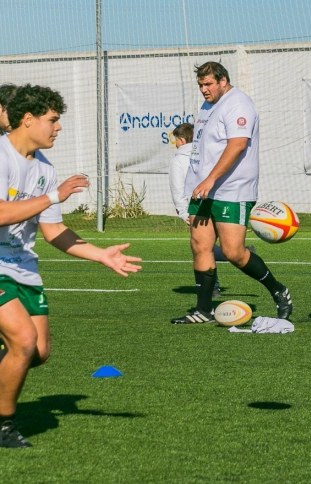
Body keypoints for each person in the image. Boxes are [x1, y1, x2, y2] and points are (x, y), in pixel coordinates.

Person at [0, 84, 142, 447]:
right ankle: (4, 426)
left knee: (39, 352)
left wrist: (101, 254)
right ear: (27, 120)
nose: (58, 127)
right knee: (23, 339)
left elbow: (54, 231)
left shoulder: (45, 169)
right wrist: (53, 195)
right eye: (53, 120)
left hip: (22, 266)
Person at [172, 61, 292, 324]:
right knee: (199, 245)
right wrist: (195, 184)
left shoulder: (239, 104)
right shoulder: (207, 106)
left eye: (208, 84)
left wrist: (211, 179)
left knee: (233, 252)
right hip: (203, 190)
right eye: (201, 85)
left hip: (231, 189)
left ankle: (278, 290)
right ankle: (203, 310)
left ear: (223, 80)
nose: (204, 89)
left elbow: (237, 145)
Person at [169, 123, 234, 299]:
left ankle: (214, 286)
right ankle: (239, 255)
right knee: (209, 245)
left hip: (196, 206)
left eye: (176, 140)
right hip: (217, 201)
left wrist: (183, 212)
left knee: (202, 248)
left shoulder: (178, 160)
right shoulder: (205, 153)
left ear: (181, 140)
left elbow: (178, 188)